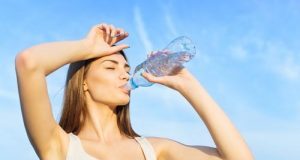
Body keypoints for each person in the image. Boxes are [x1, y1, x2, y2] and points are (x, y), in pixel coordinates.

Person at [15, 23, 254, 160]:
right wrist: (86, 47)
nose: (124, 75)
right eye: (111, 67)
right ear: (83, 83)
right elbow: (29, 63)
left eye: (127, 69)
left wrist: (189, 86)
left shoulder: (154, 150)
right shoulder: (59, 146)